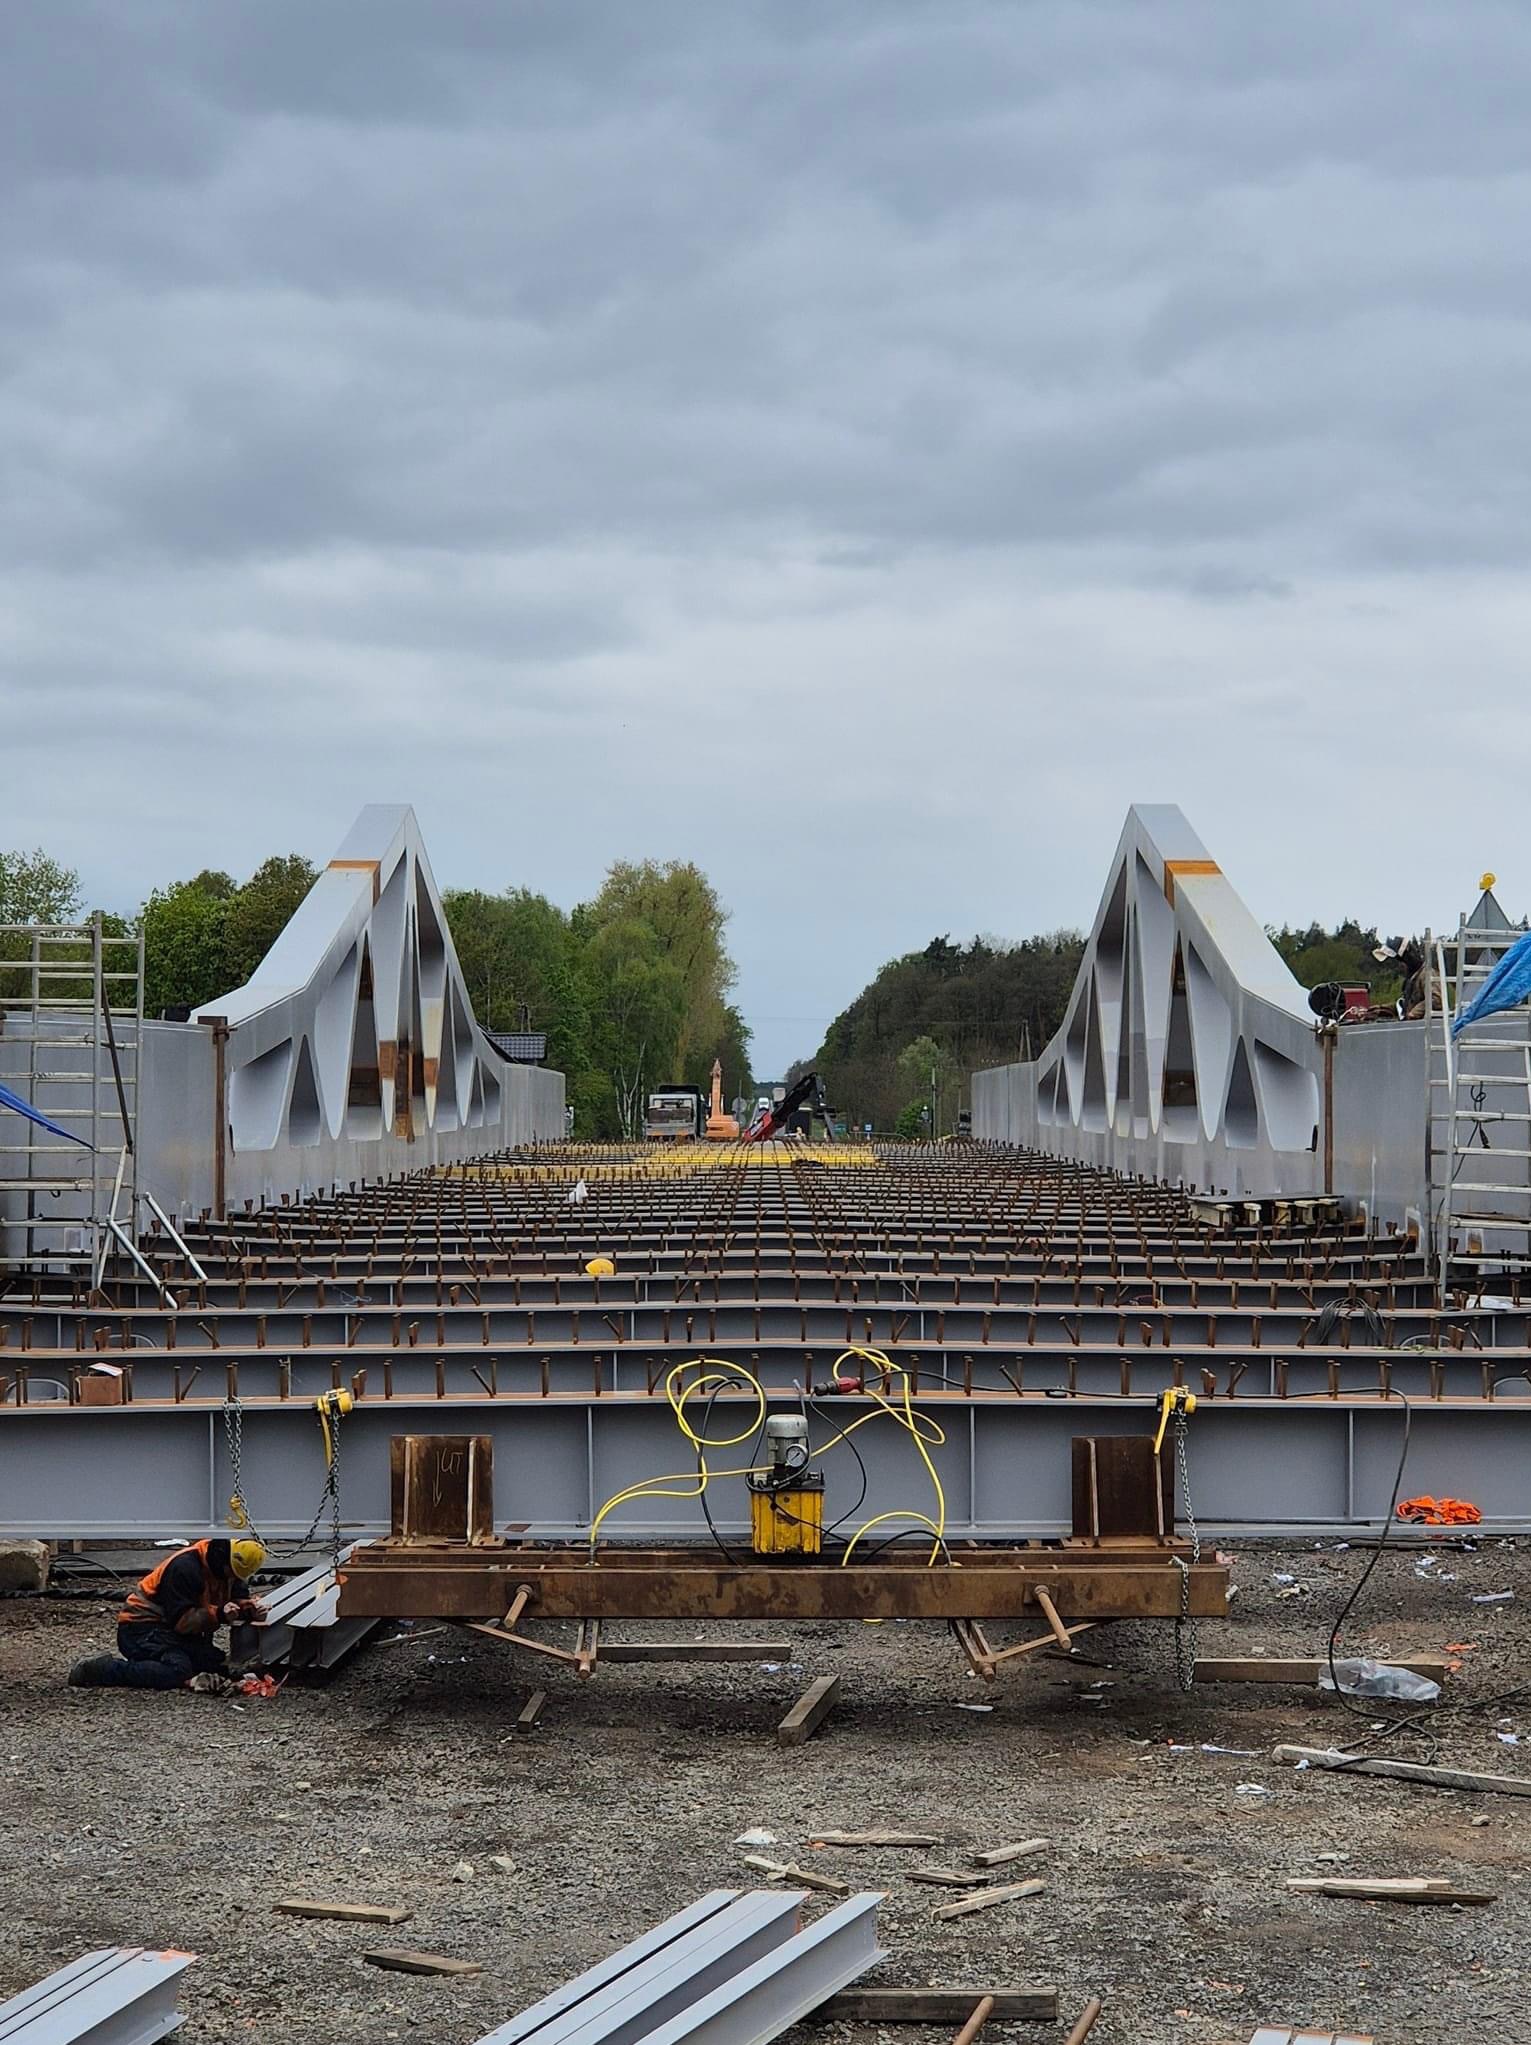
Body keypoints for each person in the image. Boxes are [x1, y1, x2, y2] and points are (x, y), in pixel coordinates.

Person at [68, 1537, 267, 1694]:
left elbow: (237, 1597)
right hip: (140, 1629)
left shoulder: (229, 1567)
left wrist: (248, 1608)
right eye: (231, 1574)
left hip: (168, 1630)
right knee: (177, 1671)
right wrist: (219, 1615)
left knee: (214, 1663)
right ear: (223, 1562)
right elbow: (183, 1622)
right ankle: (101, 1670)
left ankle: (163, 1664)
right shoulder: (185, 1568)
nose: (233, 1580)